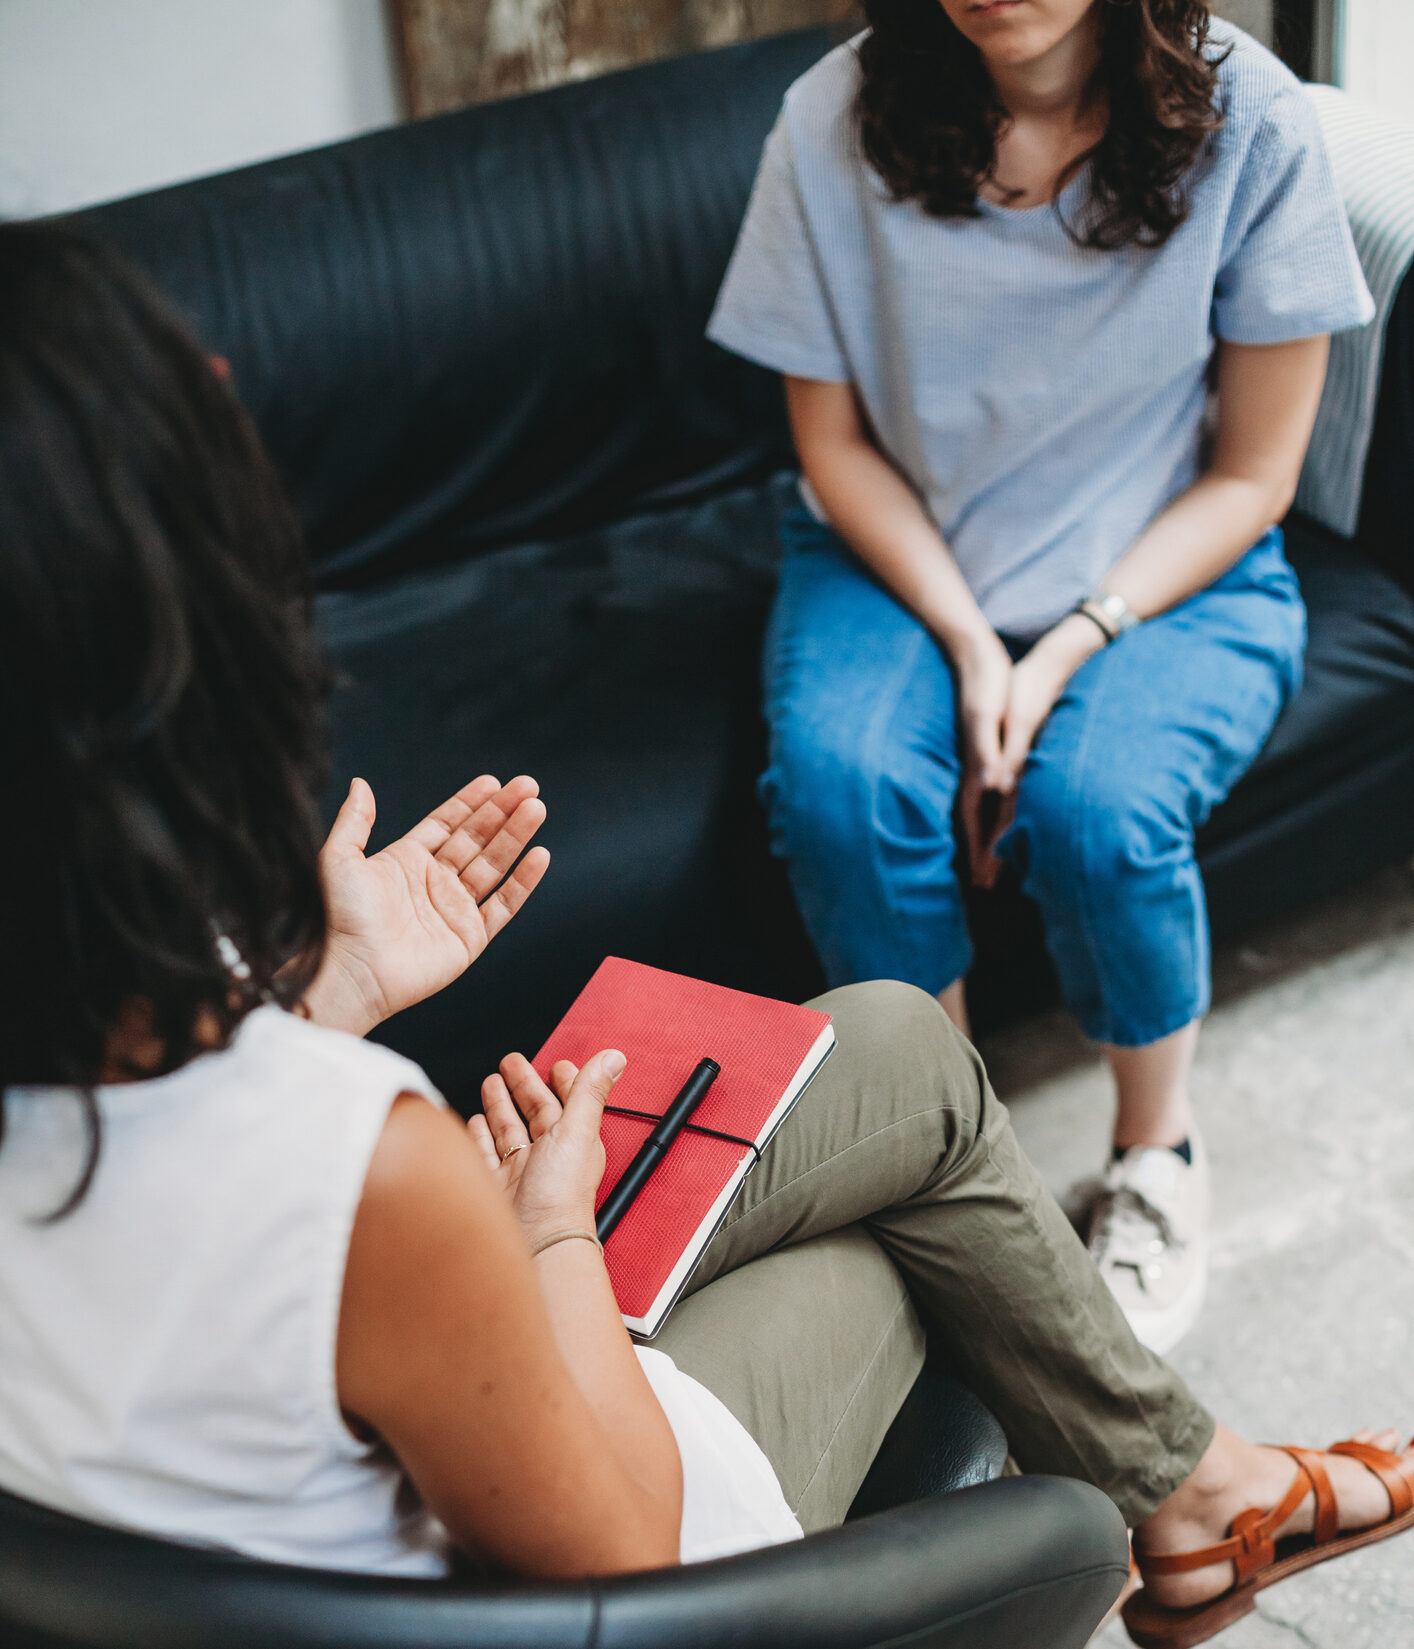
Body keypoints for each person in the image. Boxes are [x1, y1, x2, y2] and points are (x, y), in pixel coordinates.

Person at [0, 226, 1409, 1649]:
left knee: (893, 1044)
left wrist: (331, 993)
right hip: (605, 1570)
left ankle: (1194, 1494)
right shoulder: (371, 1170)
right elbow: (623, 1565)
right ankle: (1191, 1505)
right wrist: (544, 1233)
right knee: (926, 1246)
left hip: (321, 1479)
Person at [706, 0, 1375, 1353]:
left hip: (1166, 556)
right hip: (896, 544)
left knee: (1101, 812)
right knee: (839, 788)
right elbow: (828, 443)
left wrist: (1071, 639)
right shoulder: (829, 118)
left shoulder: (1253, 123)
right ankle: (954, 1169)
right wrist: (966, 640)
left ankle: (1155, 1155)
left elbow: (1255, 473)